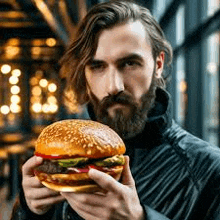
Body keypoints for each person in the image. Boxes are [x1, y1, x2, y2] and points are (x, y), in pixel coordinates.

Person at [11, 1, 220, 220]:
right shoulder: (60, 170)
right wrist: (29, 210)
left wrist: (140, 218)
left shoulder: (210, 172)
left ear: (158, 65)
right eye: (97, 66)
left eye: (129, 63)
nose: (114, 86)